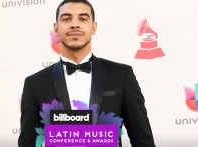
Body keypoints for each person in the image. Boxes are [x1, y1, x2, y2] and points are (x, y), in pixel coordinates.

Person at [18, 0, 156, 147]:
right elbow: (28, 143)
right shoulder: (35, 84)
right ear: (56, 28)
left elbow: (142, 140)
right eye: (66, 19)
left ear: (94, 27)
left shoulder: (122, 75)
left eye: (83, 19)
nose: (74, 24)